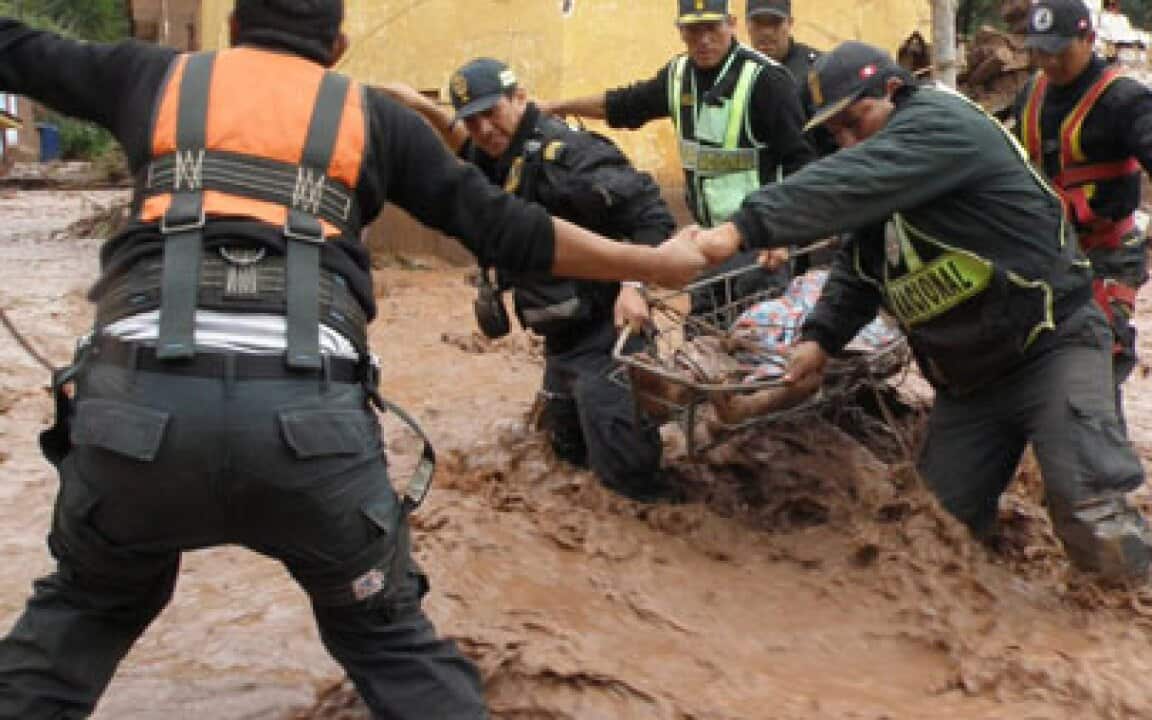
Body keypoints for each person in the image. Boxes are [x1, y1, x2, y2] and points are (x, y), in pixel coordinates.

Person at [0, 2, 704, 718]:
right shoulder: (374, 119)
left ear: (235, 27)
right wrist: (653, 266)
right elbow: (509, 230)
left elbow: (15, 48)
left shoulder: (150, 78)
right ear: (337, 46)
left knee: (87, 608)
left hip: (135, 429)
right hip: (309, 437)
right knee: (388, 642)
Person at [691, 41, 1152, 588]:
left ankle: (1138, 618)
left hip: (1051, 348)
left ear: (893, 92)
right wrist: (819, 340)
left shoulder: (939, 124)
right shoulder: (889, 174)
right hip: (971, 384)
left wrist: (740, 229)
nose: (848, 142)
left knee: (1090, 512)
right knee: (936, 537)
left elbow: (847, 181)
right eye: (836, 134)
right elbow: (860, 267)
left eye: (855, 122)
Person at [378, 58, 682, 503]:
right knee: (561, 459)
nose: (483, 129)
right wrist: (417, 105)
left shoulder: (572, 156)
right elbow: (465, 146)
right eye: (472, 120)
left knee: (627, 486)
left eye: (491, 112)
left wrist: (635, 287)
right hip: (561, 340)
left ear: (519, 98)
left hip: (609, 337)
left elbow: (653, 217)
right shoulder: (500, 154)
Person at [542, 0, 815, 327]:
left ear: (731, 24)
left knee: (756, 341)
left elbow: (801, 163)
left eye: (712, 28)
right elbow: (622, 105)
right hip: (706, 243)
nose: (704, 40)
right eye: (693, 30)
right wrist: (555, 107)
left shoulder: (765, 80)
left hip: (759, 245)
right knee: (703, 339)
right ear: (680, 32)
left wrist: (783, 234)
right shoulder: (678, 75)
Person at [1013, 0, 1152, 423]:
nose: (1049, 62)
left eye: (1059, 51)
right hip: (1046, 250)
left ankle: (1102, 448)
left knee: (1096, 355)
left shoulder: (1125, 100)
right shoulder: (1030, 95)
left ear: (1088, 39)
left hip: (1109, 253)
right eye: (1040, 51)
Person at [743, 0, 838, 157]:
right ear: (747, 25)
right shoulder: (737, 69)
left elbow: (831, 134)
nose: (766, 32)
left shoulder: (817, 68)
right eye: (759, 23)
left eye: (775, 23)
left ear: (790, 23)